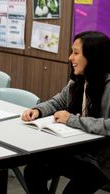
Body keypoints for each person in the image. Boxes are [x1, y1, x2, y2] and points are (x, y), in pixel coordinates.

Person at [21, 31, 110, 194]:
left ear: (93, 57)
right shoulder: (79, 79)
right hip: (77, 152)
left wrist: (72, 120)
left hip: (102, 162)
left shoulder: (108, 86)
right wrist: (37, 110)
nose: (70, 58)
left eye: (76, 53)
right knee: (33, 171)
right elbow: (58, 102)